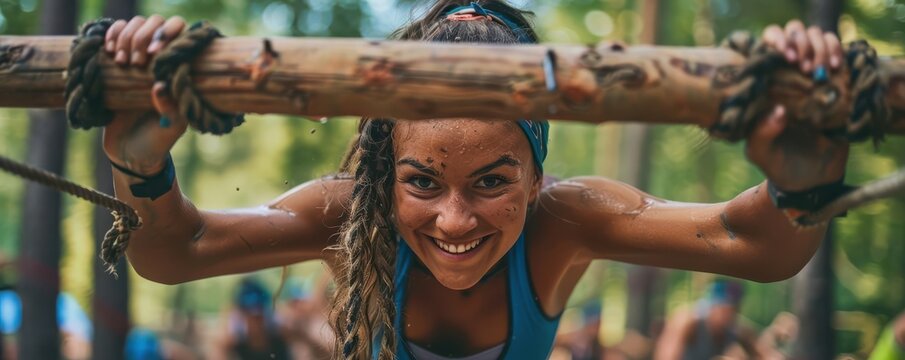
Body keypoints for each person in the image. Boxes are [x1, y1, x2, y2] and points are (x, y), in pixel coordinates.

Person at [101, 1, 848, 358]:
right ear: (386, 173)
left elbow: (754, 246)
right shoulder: (351, 211)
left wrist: (799, 178)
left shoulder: (567, 218)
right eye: (422, 182)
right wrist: (141, 166)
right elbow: (176, 251)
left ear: (535, 171)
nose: (455, 222)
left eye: (492, 182)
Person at [654, 279, 759, 359]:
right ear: (712, 307)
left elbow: (763, 355)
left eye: (732, 311)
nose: (727, 316)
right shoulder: (687, 323)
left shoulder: (738, 331)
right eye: (723, 309)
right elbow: (665, 357)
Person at [212, 278, 291, 360]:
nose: (256, 324)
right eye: (252, 318)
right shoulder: (235, 342)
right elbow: (219, 347)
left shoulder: (281, 336)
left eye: (259, 318)